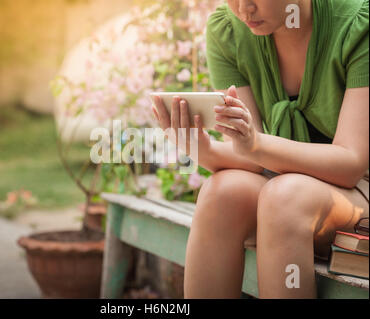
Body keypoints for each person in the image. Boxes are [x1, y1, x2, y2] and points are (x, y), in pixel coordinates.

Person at [152, 0, 369, 298]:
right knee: (221, 193)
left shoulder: (358, 23)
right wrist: (202, 149)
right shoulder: (229, 30)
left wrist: (255, 143)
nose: (244, 9)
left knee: (285, 197)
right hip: (283, 185)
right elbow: (251, 158)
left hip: (359, 192)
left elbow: (351, 163)